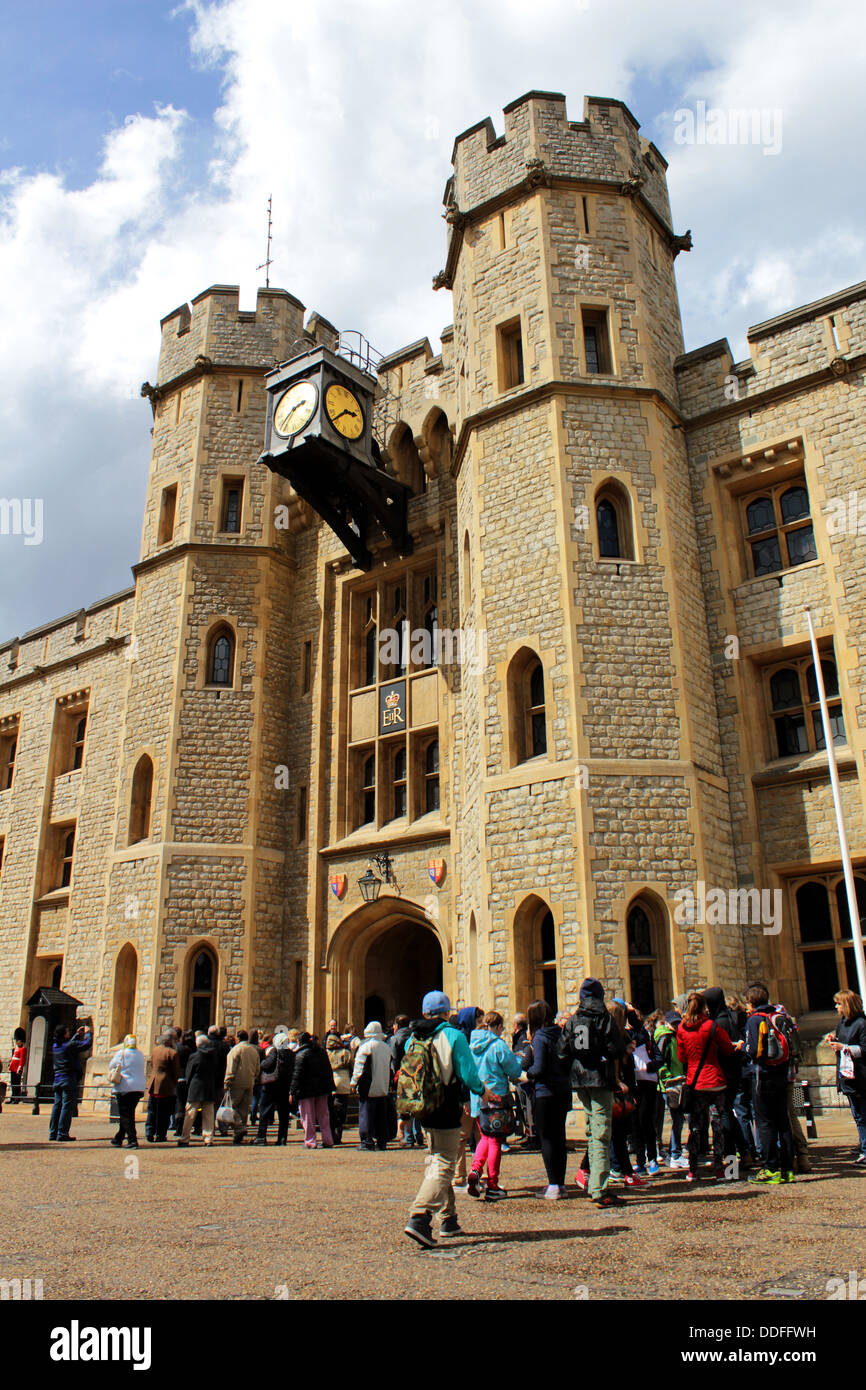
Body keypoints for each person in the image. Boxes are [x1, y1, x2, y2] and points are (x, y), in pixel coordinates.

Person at [403, 991, 494, 1247]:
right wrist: (481, 1091)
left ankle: (449, 1219)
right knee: (444, 1162)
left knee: (437, 1156)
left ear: (424, 1013)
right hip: (444, 1104)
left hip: (422, 1106)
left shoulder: (413, 1037)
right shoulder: (453, 1035)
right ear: (446, 1013)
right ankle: (419, 1216)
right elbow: (467, 1072)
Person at [557, 978, 626, 1208]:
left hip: (580, 1081)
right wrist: (600, 1057)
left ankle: (594, 1183)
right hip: (599, 1079)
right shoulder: (604, 1018)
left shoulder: (574, 1019)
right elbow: (617, 1048)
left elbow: (561, 1052)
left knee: (592, 1130)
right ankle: (599, 1189)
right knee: (601, 1132)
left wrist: (577, 1066)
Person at [677, 991, 738, 1184]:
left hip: (695, 1082)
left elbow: (682, 1057)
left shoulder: (682, 1028)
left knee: (695, 1127)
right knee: (719, 1125)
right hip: (715, 1082)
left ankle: (693, 1170)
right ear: (704, 1008)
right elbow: (728, 1048)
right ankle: (722, 1170)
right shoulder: (711, 1026)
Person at [467, 1010, 523, 1200]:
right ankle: (492, 1184)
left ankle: (475, 1170)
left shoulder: (472, 1045)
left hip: (477, 1099)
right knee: (495, 1141)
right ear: (498, 1027)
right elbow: (514, 1069)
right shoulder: (498, 1045)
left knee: (484, 1137)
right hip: (496, 1099)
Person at [745, 983, 795, 1184]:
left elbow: (752, 1050)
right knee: (783, 1121)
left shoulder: (754, 1020)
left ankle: (770, 1168)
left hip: (762, 1075)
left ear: (752, 1002)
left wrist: (742, 1048)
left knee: (765, 1123)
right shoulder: (779, 1017)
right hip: (781, 1073)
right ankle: (788, 1169)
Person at [702, 986, 752, 1172]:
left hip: (722, 1075)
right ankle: (745, 1153)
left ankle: (731, 1167)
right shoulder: (731, 1019)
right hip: (734, 1073)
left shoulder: (718, 1024)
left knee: (725, 1118)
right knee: (729, 1114)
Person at [526, 999, 571, 1198]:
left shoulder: (540, 1037)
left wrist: (527, 1074)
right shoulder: (561, 1034)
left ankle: (553, 1185)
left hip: (545, 1093)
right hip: (562, 1091)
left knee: (547, 1139)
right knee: (559, 1138)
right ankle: (560, 1184)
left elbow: (539, 1067)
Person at [825, 989, 866, 1164]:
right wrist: (833, 1038)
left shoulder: (862, 1024)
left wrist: (845, 1047)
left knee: (863, 1115)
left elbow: (864, 1049)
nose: (836, 1007)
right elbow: (843, 1039)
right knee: (859, 1116)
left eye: (839, 1003)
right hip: (848, 1076)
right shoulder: (843, 1023)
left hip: (861, 1077)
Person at [654, 1010, 688, 1168]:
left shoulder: (676, 1036)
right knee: (677, 1118)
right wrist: (667, 1078)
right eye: (673, 1023)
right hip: (669, 1085)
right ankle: (675, 1153)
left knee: (678, 1119)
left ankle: (674, 1152)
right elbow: (659, 1060)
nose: (676, 1026)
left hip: (679, 1081)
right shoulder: (665, 1038)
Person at [351, 1021, 392, 1151]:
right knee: (381, 1116)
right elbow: (391, 1068)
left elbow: (359, 1067)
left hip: (369, 1086)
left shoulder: (366, 1047)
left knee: (366, 1114)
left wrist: (353, 1082)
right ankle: (382, 1141)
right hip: (383, 1086)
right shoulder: (386, 1048)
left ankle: (366, 1141)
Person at [49, 1023, 92, 1142]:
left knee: (57, 1106)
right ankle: (62, 1133)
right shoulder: (69, 1046)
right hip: (68, 1079)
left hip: (57, 1079)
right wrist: (88, 1033)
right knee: (66, 1107)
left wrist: (77, 1035)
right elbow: (86, 1044)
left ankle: (53, 1133)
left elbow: (68, 1045)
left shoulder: (55, 1046)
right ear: (64, 1034)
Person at [290, 1032, 334, 1148]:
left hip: (306, 1090)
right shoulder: (322, 1052)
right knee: (324, 1115)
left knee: (308, 1116)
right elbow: (328, 1070)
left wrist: (292, 1091)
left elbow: (297, 1075)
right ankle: (328, 1139)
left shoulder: (301, 1054)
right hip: (322, 1089)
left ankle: (310, 1141)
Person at [178, 1032, 218, 1146]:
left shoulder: (195, 1056)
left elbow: (189, 1072)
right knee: (208, 1115)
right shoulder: (213, 1056)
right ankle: (208, 1138)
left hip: (195, 1087)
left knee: (190, 1114)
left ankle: (185, 1137)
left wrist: (188, 1083)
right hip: (209, 1086)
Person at [108, 1034, 146, 1149]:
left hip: (125, 1087)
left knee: (126, 1115)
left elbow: (112, 1065)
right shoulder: (140, 1054)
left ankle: (132, 1140)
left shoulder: (122, 1053)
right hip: (138, 1088)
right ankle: (118, 1138)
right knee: (128, 1113)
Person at [224, 1028, 261, 1144]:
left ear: (238, 1038)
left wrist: (227, 1081)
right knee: (244, 1110)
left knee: (230, 1108)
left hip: (236, 1082)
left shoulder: (236, 1050)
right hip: (249, 1082)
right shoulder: (253, 1050)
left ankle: (239, 1128)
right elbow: (257, 1068)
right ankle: (238, 1134)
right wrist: (253, 1078)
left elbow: (231, 1067)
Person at [145, 1033, 179, 1142]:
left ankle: (149, 1132)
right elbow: (176, 1071)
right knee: (163, 1112)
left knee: (152, 1110)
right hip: (165, 1085)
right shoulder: (172, 1053)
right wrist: (174, 1083)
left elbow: (151, 1065)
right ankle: (160, 1134)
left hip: (154, 1083)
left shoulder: (155, 1050)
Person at [324, 1030, 352, 1144]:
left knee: (330, 1110)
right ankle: (337, 1134)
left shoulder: (325, 1053)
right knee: (341, 1110)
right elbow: (352, 1066)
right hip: (343, 1081)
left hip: (329, 1082)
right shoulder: (346, 1052)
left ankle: (331, 1135)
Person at [172, 1029, 195, 1135]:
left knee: (180, 1103)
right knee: (193, 1104)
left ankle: (179, 1128)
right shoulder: (194, 1050)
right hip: (191, 1079)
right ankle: (194, 1126)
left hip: (180, 1078)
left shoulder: (178, 1048)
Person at [9, 1028, 27, 1103]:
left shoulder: (23, 1049)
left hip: (17, 1069)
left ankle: (17, 1098)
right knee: (13, 1083)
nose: (16, 1041)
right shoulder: (16, 1049)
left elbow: (22, 1060)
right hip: (13, 1068)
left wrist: (20, 1068)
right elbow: (13, 1058)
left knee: (17, 1083)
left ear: (21, 1041)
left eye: (18, 1040)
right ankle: (13, 1097)